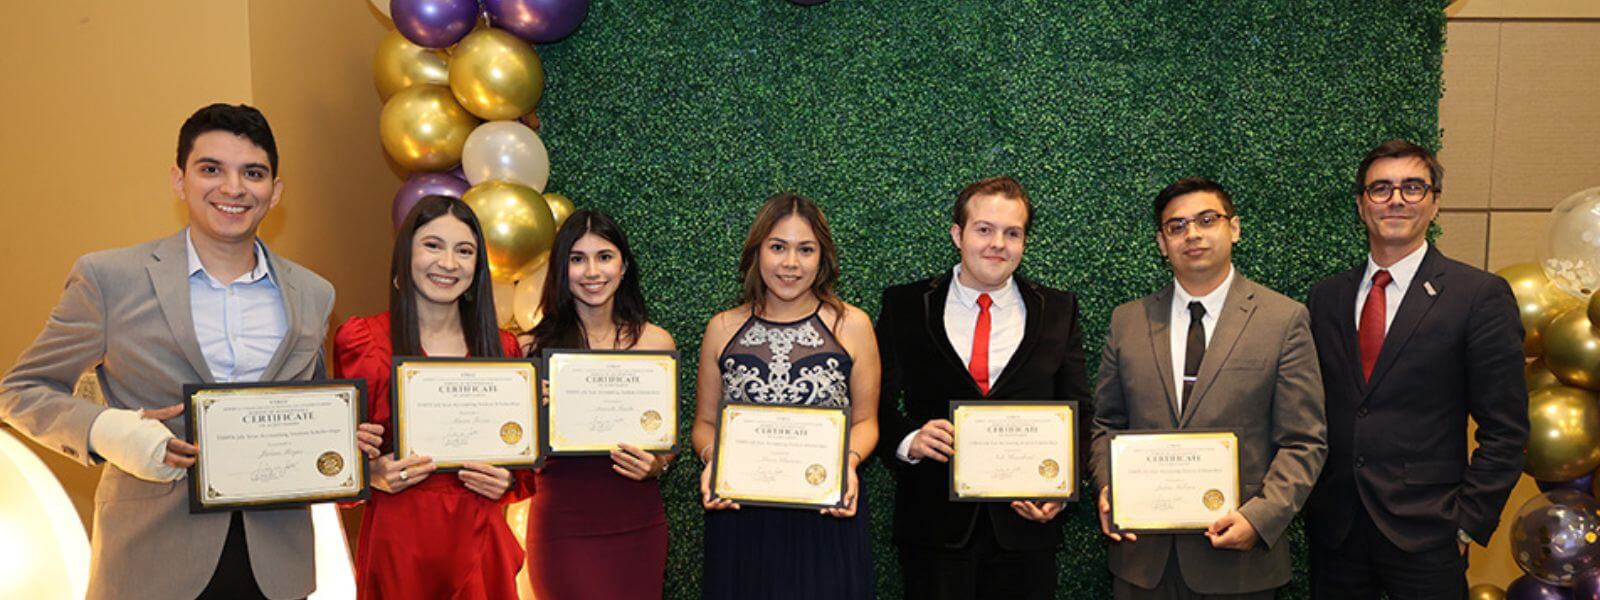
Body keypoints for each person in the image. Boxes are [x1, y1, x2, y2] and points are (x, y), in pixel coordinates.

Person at [0, 103, 381, 600]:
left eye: (253, 173)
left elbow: (306, 407)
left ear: (275, 191)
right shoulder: (109, 279)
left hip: (276, 564)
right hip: (149, 561)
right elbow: (20, 391)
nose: (233, 188)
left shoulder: (313, 293)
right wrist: (111, 432)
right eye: (210, 169)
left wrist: (342, 440)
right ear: (179, 181)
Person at [1304, 139, 1529, 599]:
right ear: (1361, 204)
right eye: (1381, 189)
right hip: (1337, 531)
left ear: (1435, 203)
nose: (1396, 200)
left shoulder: (1478, 295)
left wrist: (1469, 522)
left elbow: (1505, 428)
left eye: (1412, 187)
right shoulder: (1326, 297)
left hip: (1431, 532)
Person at [1088, 177, 1327, 598]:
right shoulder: (1128, 321)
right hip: (1142, 562)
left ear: (1233, 228)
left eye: (1206, 220)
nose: (1192, 234)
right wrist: (1109, 487)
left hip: (1239, 562)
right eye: (1176, 226)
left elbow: (1304, 441)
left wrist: (1261, 518)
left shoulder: (1283, 320)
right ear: (1162, 243)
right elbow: (1107, 422)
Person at [874, 176, 1091, 600]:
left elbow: (1079, 408)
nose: (998, 244)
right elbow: (873, 401)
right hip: (935, 527)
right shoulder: (905, 304)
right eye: (984, 229)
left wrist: (1063, 490)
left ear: (1025, 241)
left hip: (1026, 527)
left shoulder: (1058, 309)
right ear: (958, 235)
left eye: (1013, 233)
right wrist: (908, 439)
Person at [333, 195, 526, 600]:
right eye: (433, 245)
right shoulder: (363, 342)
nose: (449, 263)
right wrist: (370, 475)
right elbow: (338, 463)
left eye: (465, 251)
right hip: (400, 543)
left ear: (478, 268)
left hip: (481, 542)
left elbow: (523, 465)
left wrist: (506, 481)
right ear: (406, 255)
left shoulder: (504, 350)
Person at [691, 192, 880, 599]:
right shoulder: (722, 328)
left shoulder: (853, 326)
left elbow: (866, 422)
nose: (791, 263)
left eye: (805, 250)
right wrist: (713, 459)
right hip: (741, 518)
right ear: (758, 252)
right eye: (778, 247)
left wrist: (848, 463)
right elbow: (704, 425)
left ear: (822, 258)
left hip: (827, 514)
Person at [521, 210, 676, 599]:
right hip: (562, 525)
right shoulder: (528, 349)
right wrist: (530, 416)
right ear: (561, 269)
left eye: (604, 256)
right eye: (577, 259)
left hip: (637, 521)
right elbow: (513, 453)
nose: (592, 271)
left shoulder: (656, 344)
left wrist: (658, 464)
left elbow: (665, 441)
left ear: (623, 266)